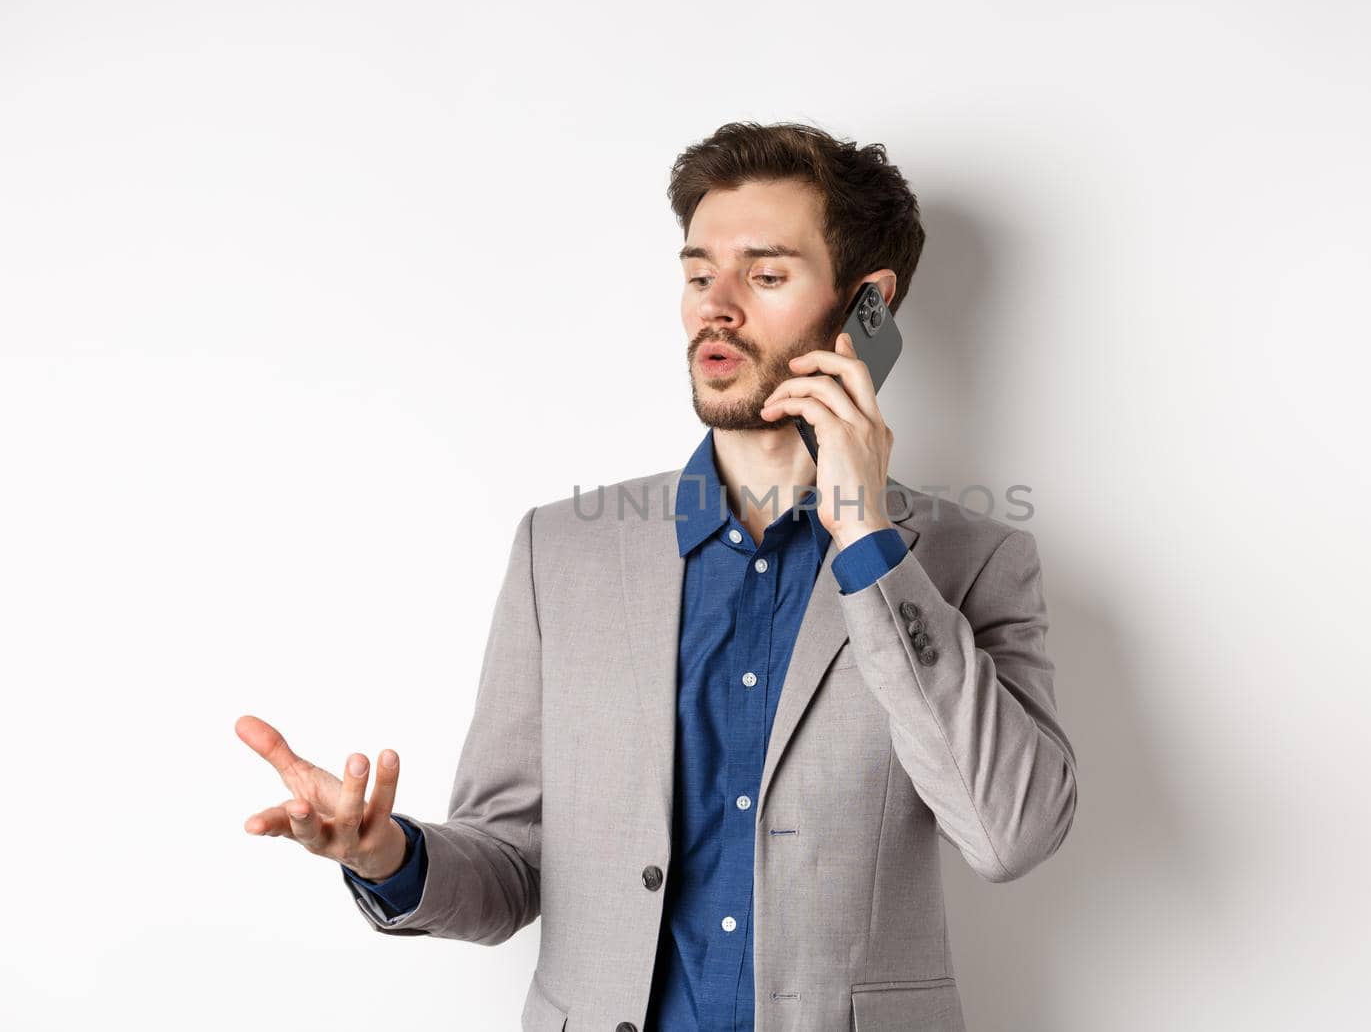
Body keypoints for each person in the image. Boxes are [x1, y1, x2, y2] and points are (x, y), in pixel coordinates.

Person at [237, 120, 1078, 1032]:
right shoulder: (558, 553)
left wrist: (866, 534)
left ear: (866, 308)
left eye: (764, 275)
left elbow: (1011, 833)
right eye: (697, 272)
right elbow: (513, 863)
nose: (716, 307)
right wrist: (388, 855)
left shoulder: (971, 561)